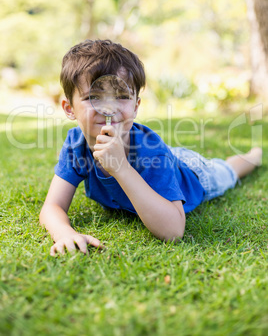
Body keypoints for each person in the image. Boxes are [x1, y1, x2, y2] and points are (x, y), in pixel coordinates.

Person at [39, 39, 262, 256]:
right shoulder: (76, 143)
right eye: (94, 97)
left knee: (226, 172)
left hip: (194, 172)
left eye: (122, 96)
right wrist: (64, 232)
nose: (110, 108)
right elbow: (52, 207)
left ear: (136, 106)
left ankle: (253, 156)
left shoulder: (150, 150)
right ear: (69, 109)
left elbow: (173, 231)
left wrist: (121, 168)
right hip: (169, 158)